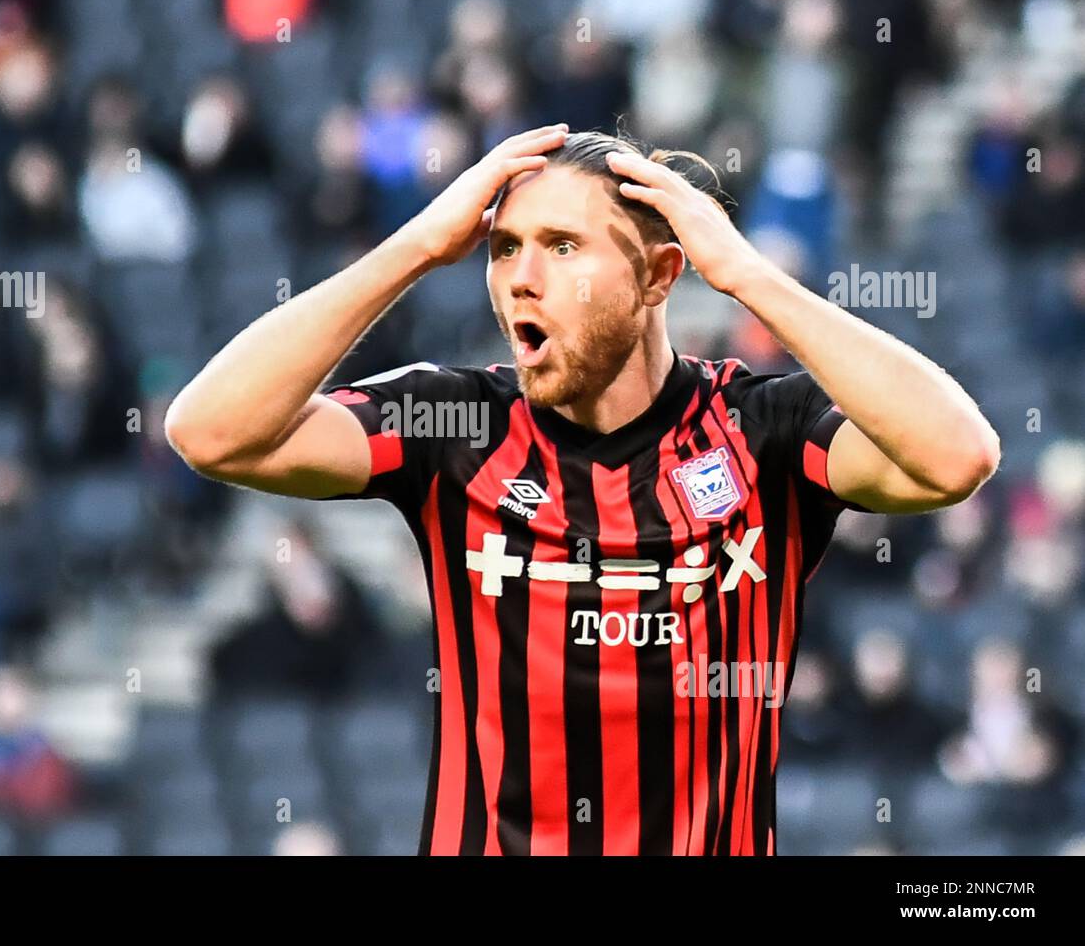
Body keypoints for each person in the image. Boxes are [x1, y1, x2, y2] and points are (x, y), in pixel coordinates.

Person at [164, 124, 1001, 855]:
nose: (521, 277)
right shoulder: (457, 426)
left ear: (658, 277)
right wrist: (416, 245)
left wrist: (749, 276)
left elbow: (956, 456)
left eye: (562, 246)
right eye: (503, 247)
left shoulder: (763, 432)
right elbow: (210, 431)